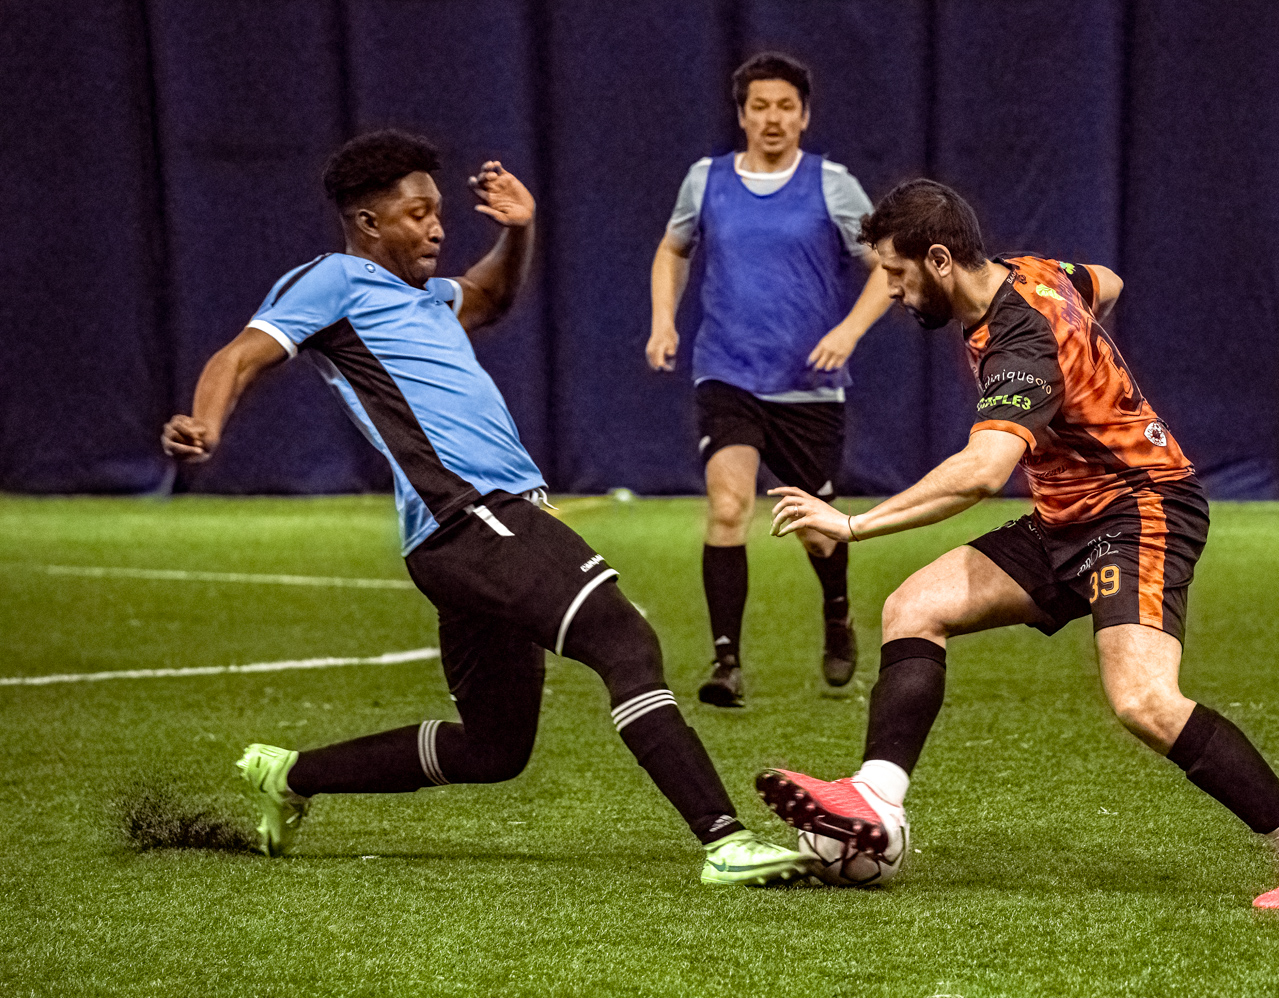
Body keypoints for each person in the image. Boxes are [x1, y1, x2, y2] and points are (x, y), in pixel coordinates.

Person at [161, 130, 806, 886]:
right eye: (417, 213)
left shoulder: (426, 297)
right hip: (471, 515)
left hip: (464, 533)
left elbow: (492, 294)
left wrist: (518, 228)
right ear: (368, 223)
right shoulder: (334, 281)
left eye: (440, 212)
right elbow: (239, 355)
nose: (436, 227)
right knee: (623, 640)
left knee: (495, 749)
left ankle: (292, 775)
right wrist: (206, 422)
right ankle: (725, 840)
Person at [754, 179, 1279, 909]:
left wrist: (850, 524)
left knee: (1144, 700)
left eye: (896, 272)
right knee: (914, 607)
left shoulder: (1020, 341)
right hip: (1068, 518)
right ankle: (877, 806)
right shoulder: (1031, 271)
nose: (889, 289)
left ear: (940, 259)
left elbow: (979, 474)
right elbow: (1105, 281)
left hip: (1140, 510)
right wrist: (1090, 365)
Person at [648, 52, 892, 706]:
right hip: (726, 372)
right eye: (760, 106)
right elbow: (673, 249)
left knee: (817, 529)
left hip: (807, 386)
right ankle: (725, 661)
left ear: (805, 116)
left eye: (785, 106)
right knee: (729, 506)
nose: (773, 118)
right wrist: (663, 321)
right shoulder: (706, 181)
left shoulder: (833, 185)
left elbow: (886, 266)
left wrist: (847, 332)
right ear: (742, 115)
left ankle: (837, 613)